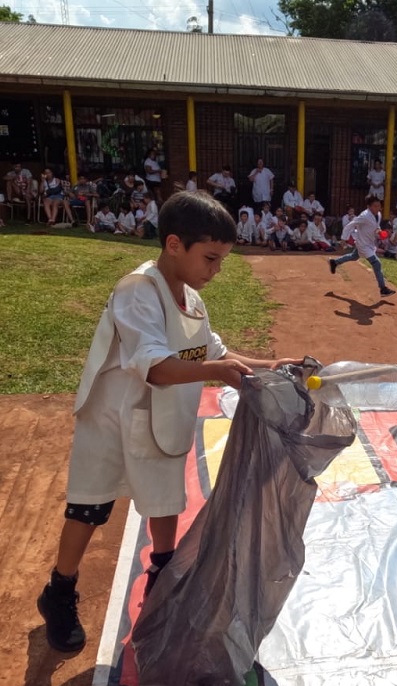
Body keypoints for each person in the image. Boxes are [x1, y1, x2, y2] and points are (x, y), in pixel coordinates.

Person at [36, 191, 302, 652]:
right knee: (91, 506)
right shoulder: (138, 290)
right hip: (114, 420)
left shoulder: (192, 301)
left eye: (221, 260)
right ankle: (58, 591)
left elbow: (212, 353)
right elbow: (157, 366)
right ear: (174, 244)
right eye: (211, 258)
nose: (215, 270)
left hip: (159, 420)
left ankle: (162, 571)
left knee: (164, 498)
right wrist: (217, 373)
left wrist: (272, 364)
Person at [329, 195, 396, 297]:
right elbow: (350, 225)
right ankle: (383, 289)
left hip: (369, 242)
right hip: (362, 244)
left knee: (354, 256)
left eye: (379, 206)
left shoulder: (378, 214)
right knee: (376, 263)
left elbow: (376, 226)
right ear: (369, 206)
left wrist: (380, 232)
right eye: (375, 206)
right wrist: (344, 239)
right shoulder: (364, 216)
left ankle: (334, 262)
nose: (378, 208)